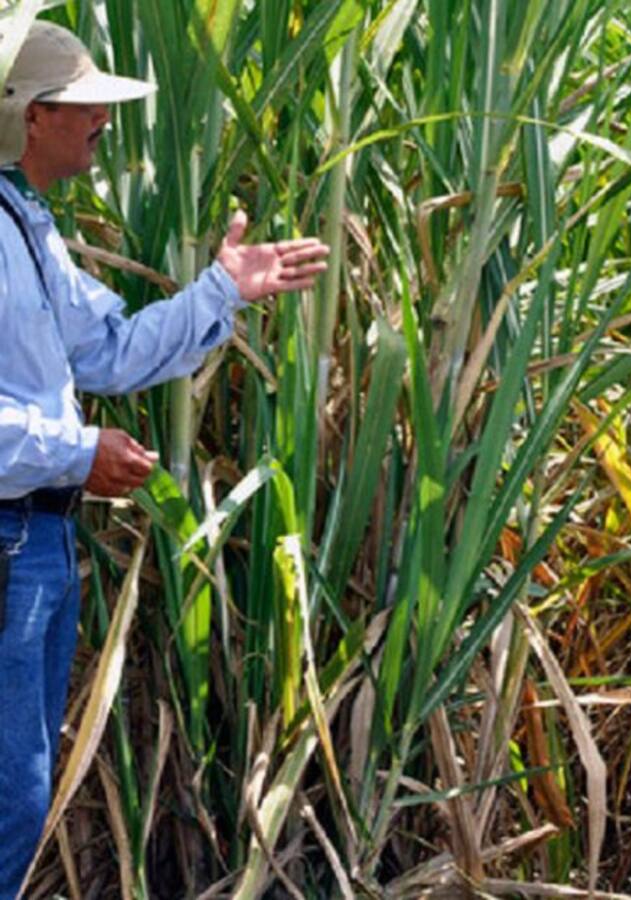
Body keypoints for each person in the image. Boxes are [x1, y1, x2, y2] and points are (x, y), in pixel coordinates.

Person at [0, 21, 329, 897]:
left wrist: (224, 288)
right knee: (10, 796)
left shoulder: (24, 226)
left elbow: (107, 350)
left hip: (36, 541)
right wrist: (79, 451)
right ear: (32, 116)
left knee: (19, 792)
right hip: (10, 542)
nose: (103, 119)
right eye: (84, 104)